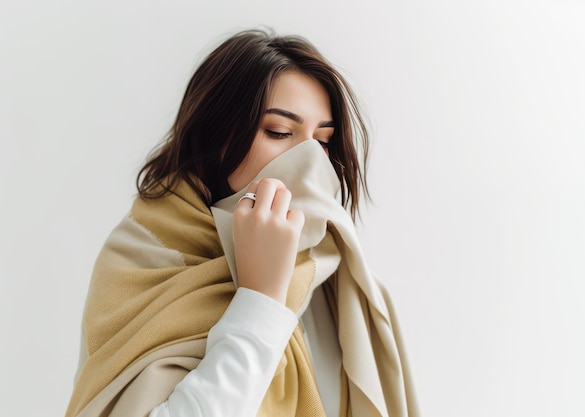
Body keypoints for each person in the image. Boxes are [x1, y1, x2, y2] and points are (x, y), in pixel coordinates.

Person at [65, 28, 418, 417]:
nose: (310, 160)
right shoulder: (141, 260)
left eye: (323, 141)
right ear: (214, 134)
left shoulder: (338, 277)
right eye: (279, 132)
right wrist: (261, 301)